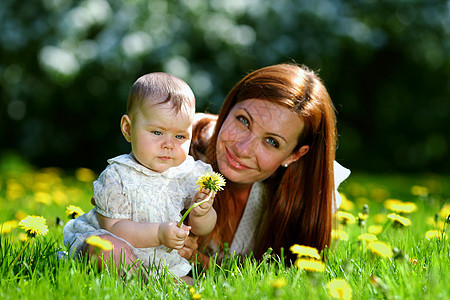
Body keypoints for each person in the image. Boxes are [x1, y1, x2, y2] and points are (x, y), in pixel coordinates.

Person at [184, 63, 350, 265]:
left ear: (295, 155)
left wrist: (202, 261)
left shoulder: (305, 194)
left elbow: (293, 278)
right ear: (229, 108)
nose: (243, 149)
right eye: (243, 120)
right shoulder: (177, 145)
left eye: (271, 141)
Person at [63, 72, 216, 283]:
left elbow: (201, 229)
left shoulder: (187, 173)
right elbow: (114, 227)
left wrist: (202, 213)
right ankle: (143, 281)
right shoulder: (119, 174)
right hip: (117, 245)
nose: (169, 144)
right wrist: (159, 234)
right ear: (128, 128)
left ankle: (152, 281)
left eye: (180, 136)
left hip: (159, 257)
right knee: (107, 250)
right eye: (157, 132)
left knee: (192, 285)